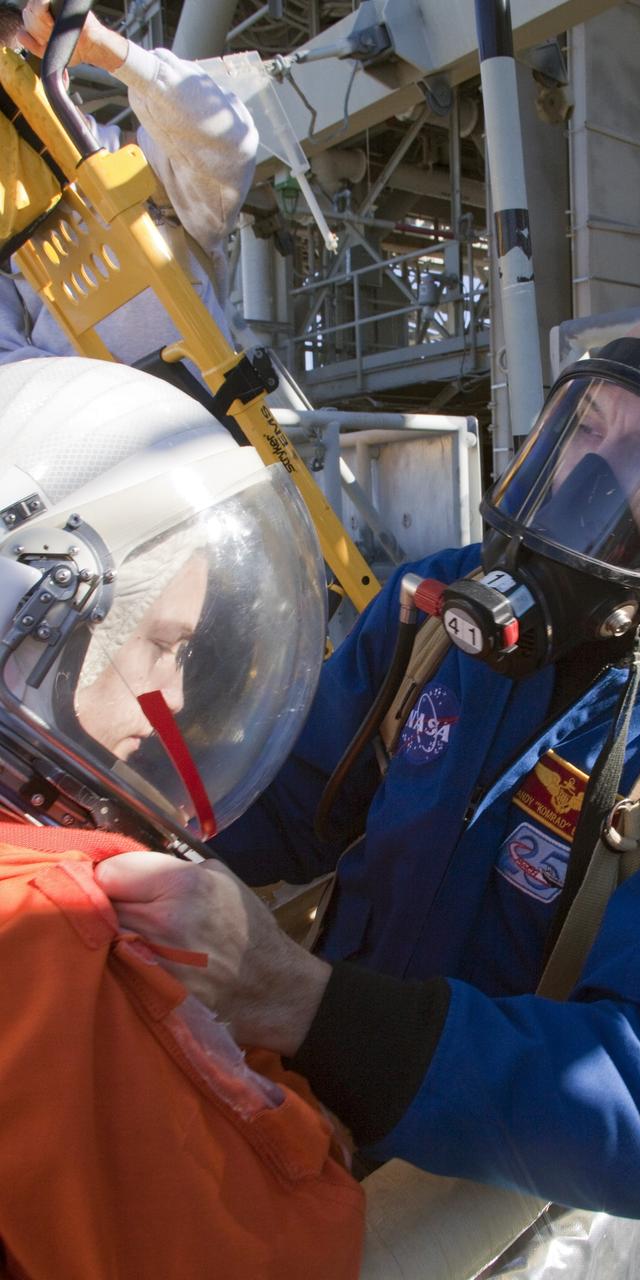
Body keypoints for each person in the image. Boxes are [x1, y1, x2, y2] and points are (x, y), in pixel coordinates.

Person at [96, 280, 640, 1219]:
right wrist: (95, 827)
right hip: (300, 1092)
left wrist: (305, 1003)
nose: (586, 482)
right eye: (584, 429)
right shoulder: (437, 605)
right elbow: (288, 805)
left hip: (483, 1191)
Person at [0, 354, 364, 1278]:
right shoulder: (51, 927)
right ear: (35, 619)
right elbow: (272, 1251)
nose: (165, 696)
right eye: (159, 646)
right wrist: (304, 1134)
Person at [0, 0, 258, 364]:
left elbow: (231, 141)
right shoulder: (8, 228)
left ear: (54, 75)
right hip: (87, 419)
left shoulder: (144, 162)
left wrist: (105, 49)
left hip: (203, 414)